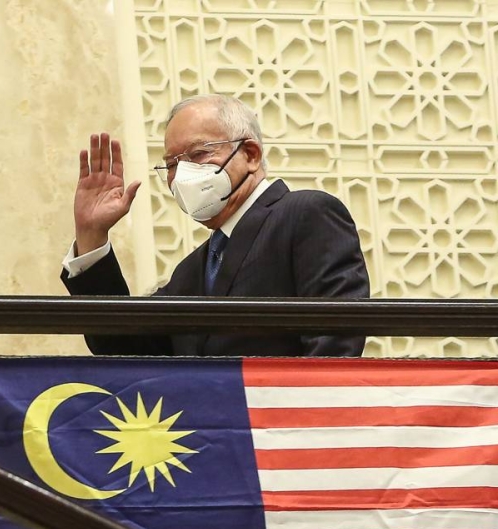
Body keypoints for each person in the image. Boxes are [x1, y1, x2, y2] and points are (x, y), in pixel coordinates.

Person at [61, 94, 370, 357]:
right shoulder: (191, 272)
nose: (182, 174)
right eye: (171, 165)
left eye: (199, 154)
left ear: (250, 154)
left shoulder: (305, 214)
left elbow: (335, 340)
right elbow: (125, 347)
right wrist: (92, 234)